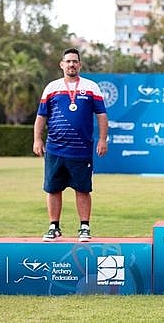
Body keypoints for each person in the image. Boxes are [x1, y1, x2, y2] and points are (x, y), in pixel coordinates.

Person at [33, 48, 108, 242]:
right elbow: (41, 116)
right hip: (55, 149)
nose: (71, 65)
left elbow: (101, 115)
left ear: (80, 65)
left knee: (82, 189)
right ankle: (53, 227)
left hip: (81, 149)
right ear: (62, 64)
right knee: (52, 188)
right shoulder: (52, 88)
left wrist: (102, 139)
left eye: (75, 61)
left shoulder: (91, 87)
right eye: (68, 61)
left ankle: (84, 227)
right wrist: (37, 139)